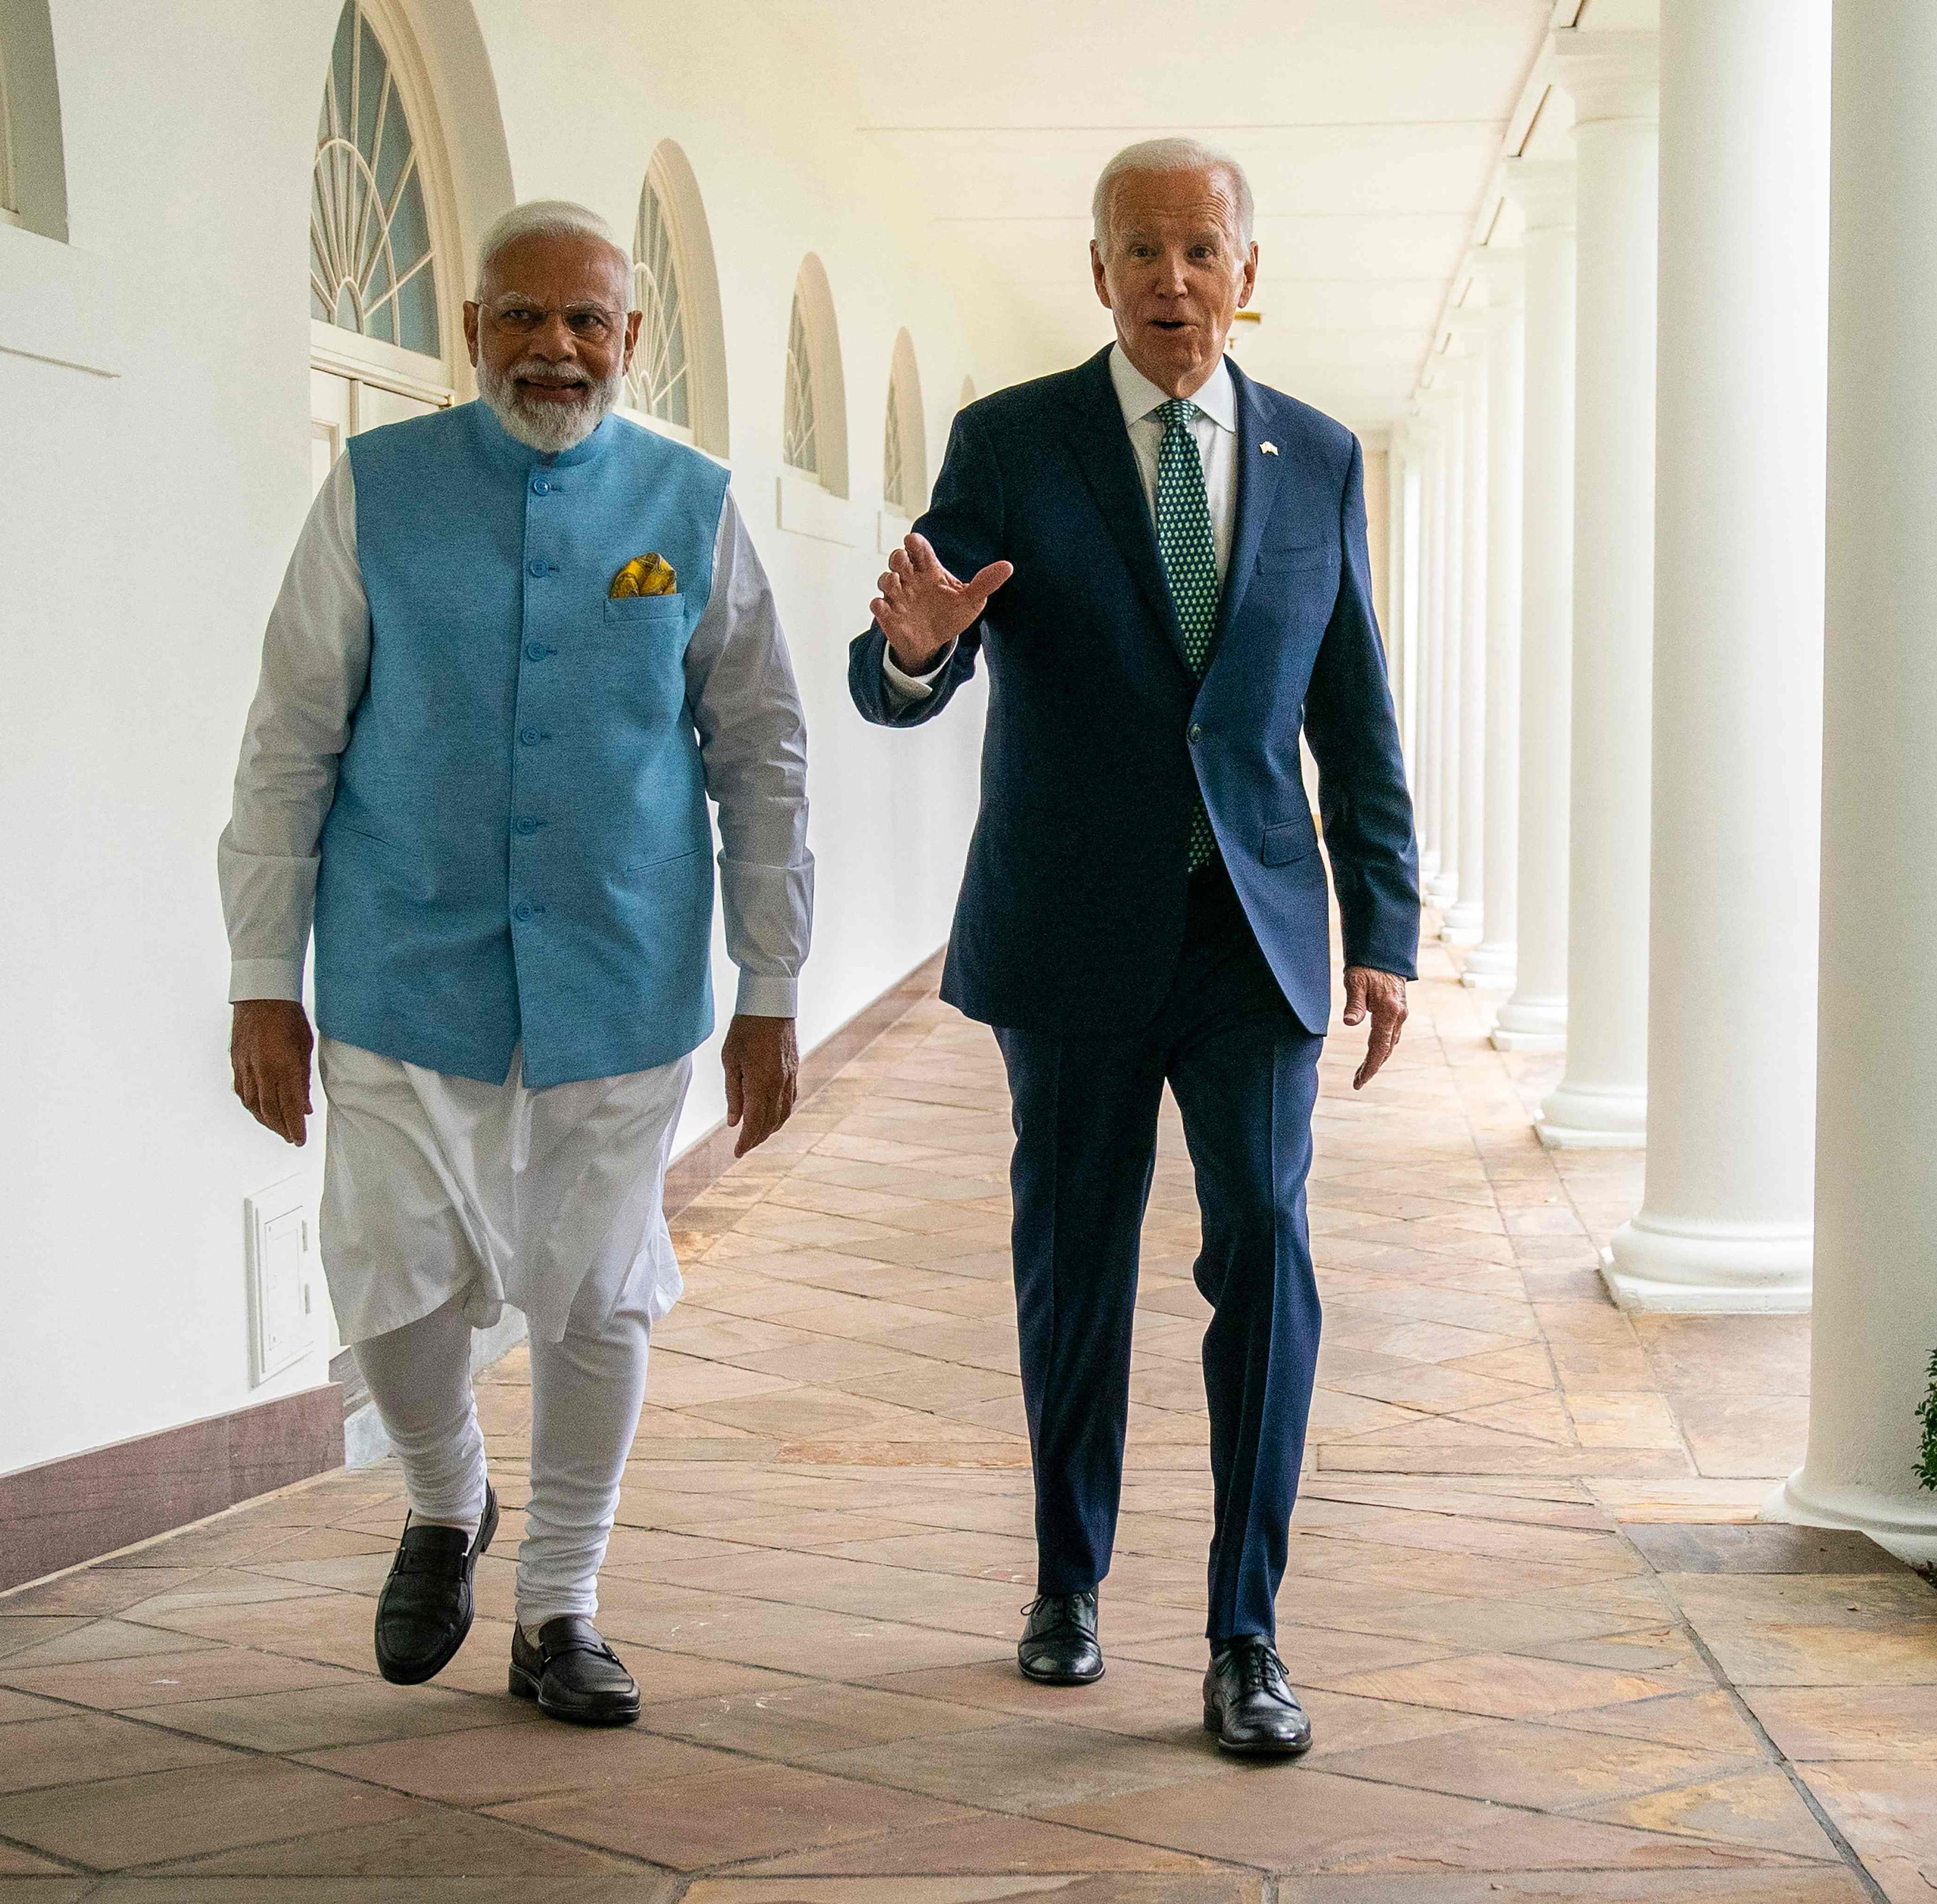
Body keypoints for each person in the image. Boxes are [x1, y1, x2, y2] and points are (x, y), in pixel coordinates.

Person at [847, 138, 1416, 1757]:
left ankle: (1249, 1634)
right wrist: (907, 655)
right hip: (1073, 931)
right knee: (1074, 1264)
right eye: (1140, 252)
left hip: (1253, 936)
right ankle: (1066, 1582)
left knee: (1268, 1256)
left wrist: (1386, 924)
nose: (1174, 280)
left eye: (1202, 249)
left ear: (1251, 270)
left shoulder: (1316, 456)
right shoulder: (1011, 442)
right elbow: (914, 643)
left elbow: (1352, 708)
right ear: (1096, 273)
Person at [220, 199, 811, 1728]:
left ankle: (561, 1604)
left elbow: (761, 751)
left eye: (586, 320)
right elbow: (290, 737)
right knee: (391, 1297)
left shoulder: (688, 505)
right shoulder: (376, 492)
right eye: (521, 316)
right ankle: (443, 1495)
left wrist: (771, 987)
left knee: (598, 1301)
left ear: (629, 338)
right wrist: (258, 974)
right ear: (471, 331)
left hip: (621, 976)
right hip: (400, 969)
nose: (555, 346)